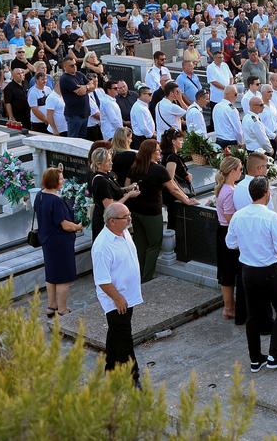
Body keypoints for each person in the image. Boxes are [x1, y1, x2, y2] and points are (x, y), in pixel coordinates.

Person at [226, 176, 277, 372]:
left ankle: (256, 358)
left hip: (248, 271)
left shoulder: (239, 215)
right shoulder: (270, 216)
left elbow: (230, 243)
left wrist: (248, 245)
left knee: (253, 316)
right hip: (269, 270)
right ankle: (275, 354)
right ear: (266, 193)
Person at [92, 201, 144, 386]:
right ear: (112, 221)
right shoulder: (102, 246)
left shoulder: (123, 232)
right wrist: (118, 298)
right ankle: (133, 377)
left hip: (128, 295)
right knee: (124, 338)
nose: (130, 219)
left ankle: (110, 369)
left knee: (116, 333)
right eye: (126, 217)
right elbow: (103, 280)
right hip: (116, 299)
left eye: (129, 214)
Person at [129, 138, 193, 282]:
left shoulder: (135, 168)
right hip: (152, 212)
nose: (160, 152)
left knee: (140, 243)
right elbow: (174, 189)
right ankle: (146, 276)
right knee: (154, 243)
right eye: (157, 150)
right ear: (150, 153)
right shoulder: (158, 170)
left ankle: (137, 273)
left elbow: (127, 186)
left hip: (136, 210)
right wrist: (187, 200)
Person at [34, 167, 82, 318]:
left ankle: (51, 306)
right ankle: (62, 309)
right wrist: (79, 227)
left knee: (52, 274)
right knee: (63, 278)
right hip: (60, 243)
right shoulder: (56, 201)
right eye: (61, 179)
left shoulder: (39, 195)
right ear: (54, 181)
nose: (63, 181)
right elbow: (65, 225)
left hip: (47, 241)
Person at [214, 155, 243, 319]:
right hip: (228, 232)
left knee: (226, 270)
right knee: (230, 271)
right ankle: (229, 308)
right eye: (240, 169)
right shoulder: (230, 192)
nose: (241, 172)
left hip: (222, 231)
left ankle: (228, 307)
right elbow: (230, 218)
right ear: (232, 171)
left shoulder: (223, 188)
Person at [58, 56, 92, 138]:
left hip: (84, 113)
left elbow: (92, 85)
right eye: (71, 65)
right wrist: (87, 87)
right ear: (65, 67)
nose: (75, 67)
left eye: (75, 64)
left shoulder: (79, 74)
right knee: (73, 140)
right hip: (74, 115)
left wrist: (85, 87)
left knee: (83, 139)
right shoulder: (65, 78)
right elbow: (80, 92)